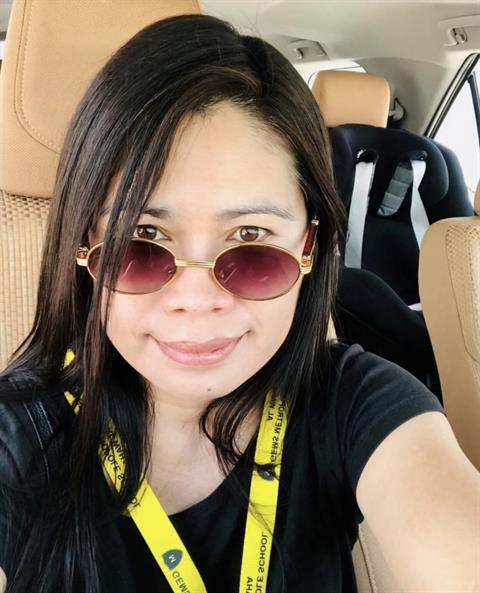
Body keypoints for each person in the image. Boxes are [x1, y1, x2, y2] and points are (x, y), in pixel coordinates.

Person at [0, 12, 464, 593]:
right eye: (142, 241)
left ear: (308, 247)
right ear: (85, 248)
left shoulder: (356, 402)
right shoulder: (15, 436)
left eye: (251, 241)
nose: (197, 301)